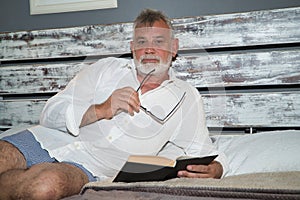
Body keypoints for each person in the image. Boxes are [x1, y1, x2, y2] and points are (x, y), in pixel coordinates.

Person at [0, 9, 228, 200]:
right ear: (132, 47)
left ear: (174, 47)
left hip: (92, 168)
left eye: (159, 42)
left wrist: (217, 168)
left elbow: (203, 150)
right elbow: (50, 113)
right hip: (46, 139)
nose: (149, 49)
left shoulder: (187, 97)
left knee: (43, 187)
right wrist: (101, 109)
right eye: (142, 42)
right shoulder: (105, 69)